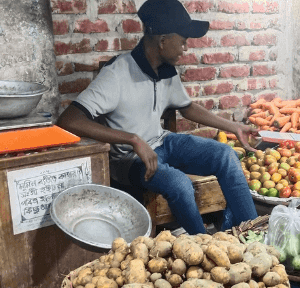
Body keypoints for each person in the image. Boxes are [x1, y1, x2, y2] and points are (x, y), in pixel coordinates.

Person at [56, 0, 259, 235]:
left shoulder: (165, 69)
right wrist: (133, 139)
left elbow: (187, 107)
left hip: (163, 143)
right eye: (182, 41)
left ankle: (253, 237)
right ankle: (203, 246)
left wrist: (233, 126)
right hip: (130, 160)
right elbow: (69, 120)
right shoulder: (116, 74)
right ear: (162, 41)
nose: (185, 48)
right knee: (179, 184)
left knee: (226, 156)